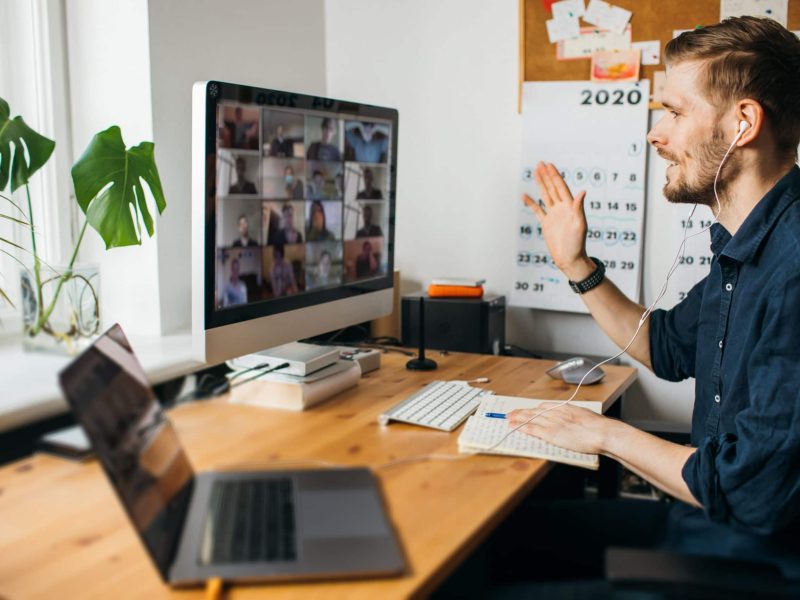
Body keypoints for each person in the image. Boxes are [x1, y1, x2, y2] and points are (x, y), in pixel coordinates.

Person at [503, 16, 800, 588]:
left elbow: (752, 494)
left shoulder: (793, 268)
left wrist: (605, 435)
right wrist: (576, 266)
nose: (655, 135)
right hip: (703, 524)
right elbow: (665, 346)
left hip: (757, 565)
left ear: (743, 123)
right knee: (499, 541)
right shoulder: (744, 245)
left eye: (674, 112)